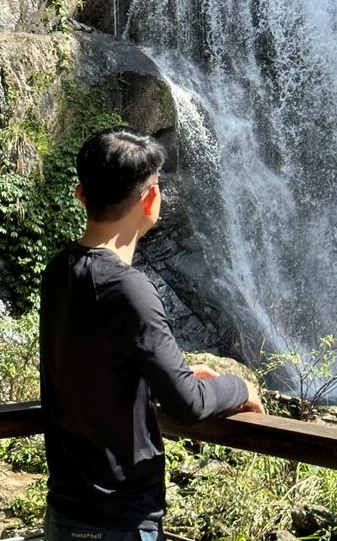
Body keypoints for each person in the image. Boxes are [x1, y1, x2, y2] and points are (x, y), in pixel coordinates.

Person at [40, 127, 264, 541]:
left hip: (65, 513)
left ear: (81, 194)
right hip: (119, 522)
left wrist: (173, 374)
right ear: (151, 198)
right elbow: (189, 405)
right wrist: (240, 387)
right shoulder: (127, 288)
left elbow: (95, 369)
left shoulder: (59, 271)